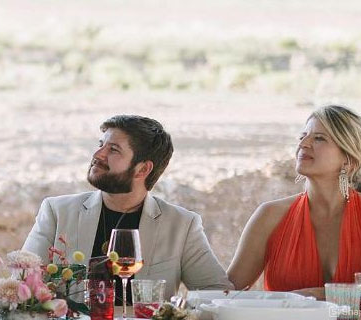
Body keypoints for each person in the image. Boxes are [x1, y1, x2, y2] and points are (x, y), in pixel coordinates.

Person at [22, 115, 230, 300]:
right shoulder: (57, 211)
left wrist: (178, 311)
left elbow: (216, 294)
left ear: (142, 169)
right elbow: (22, 286)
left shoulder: (181, 225)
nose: (98, 154)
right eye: (101, 144)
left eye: (113, 149)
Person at [227, 105, 361, 297]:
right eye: (303, 136)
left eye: (319, 138)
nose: (303, 143)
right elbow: (227, 291)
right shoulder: (269, 215)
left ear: (348, 159)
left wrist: (309, 296)